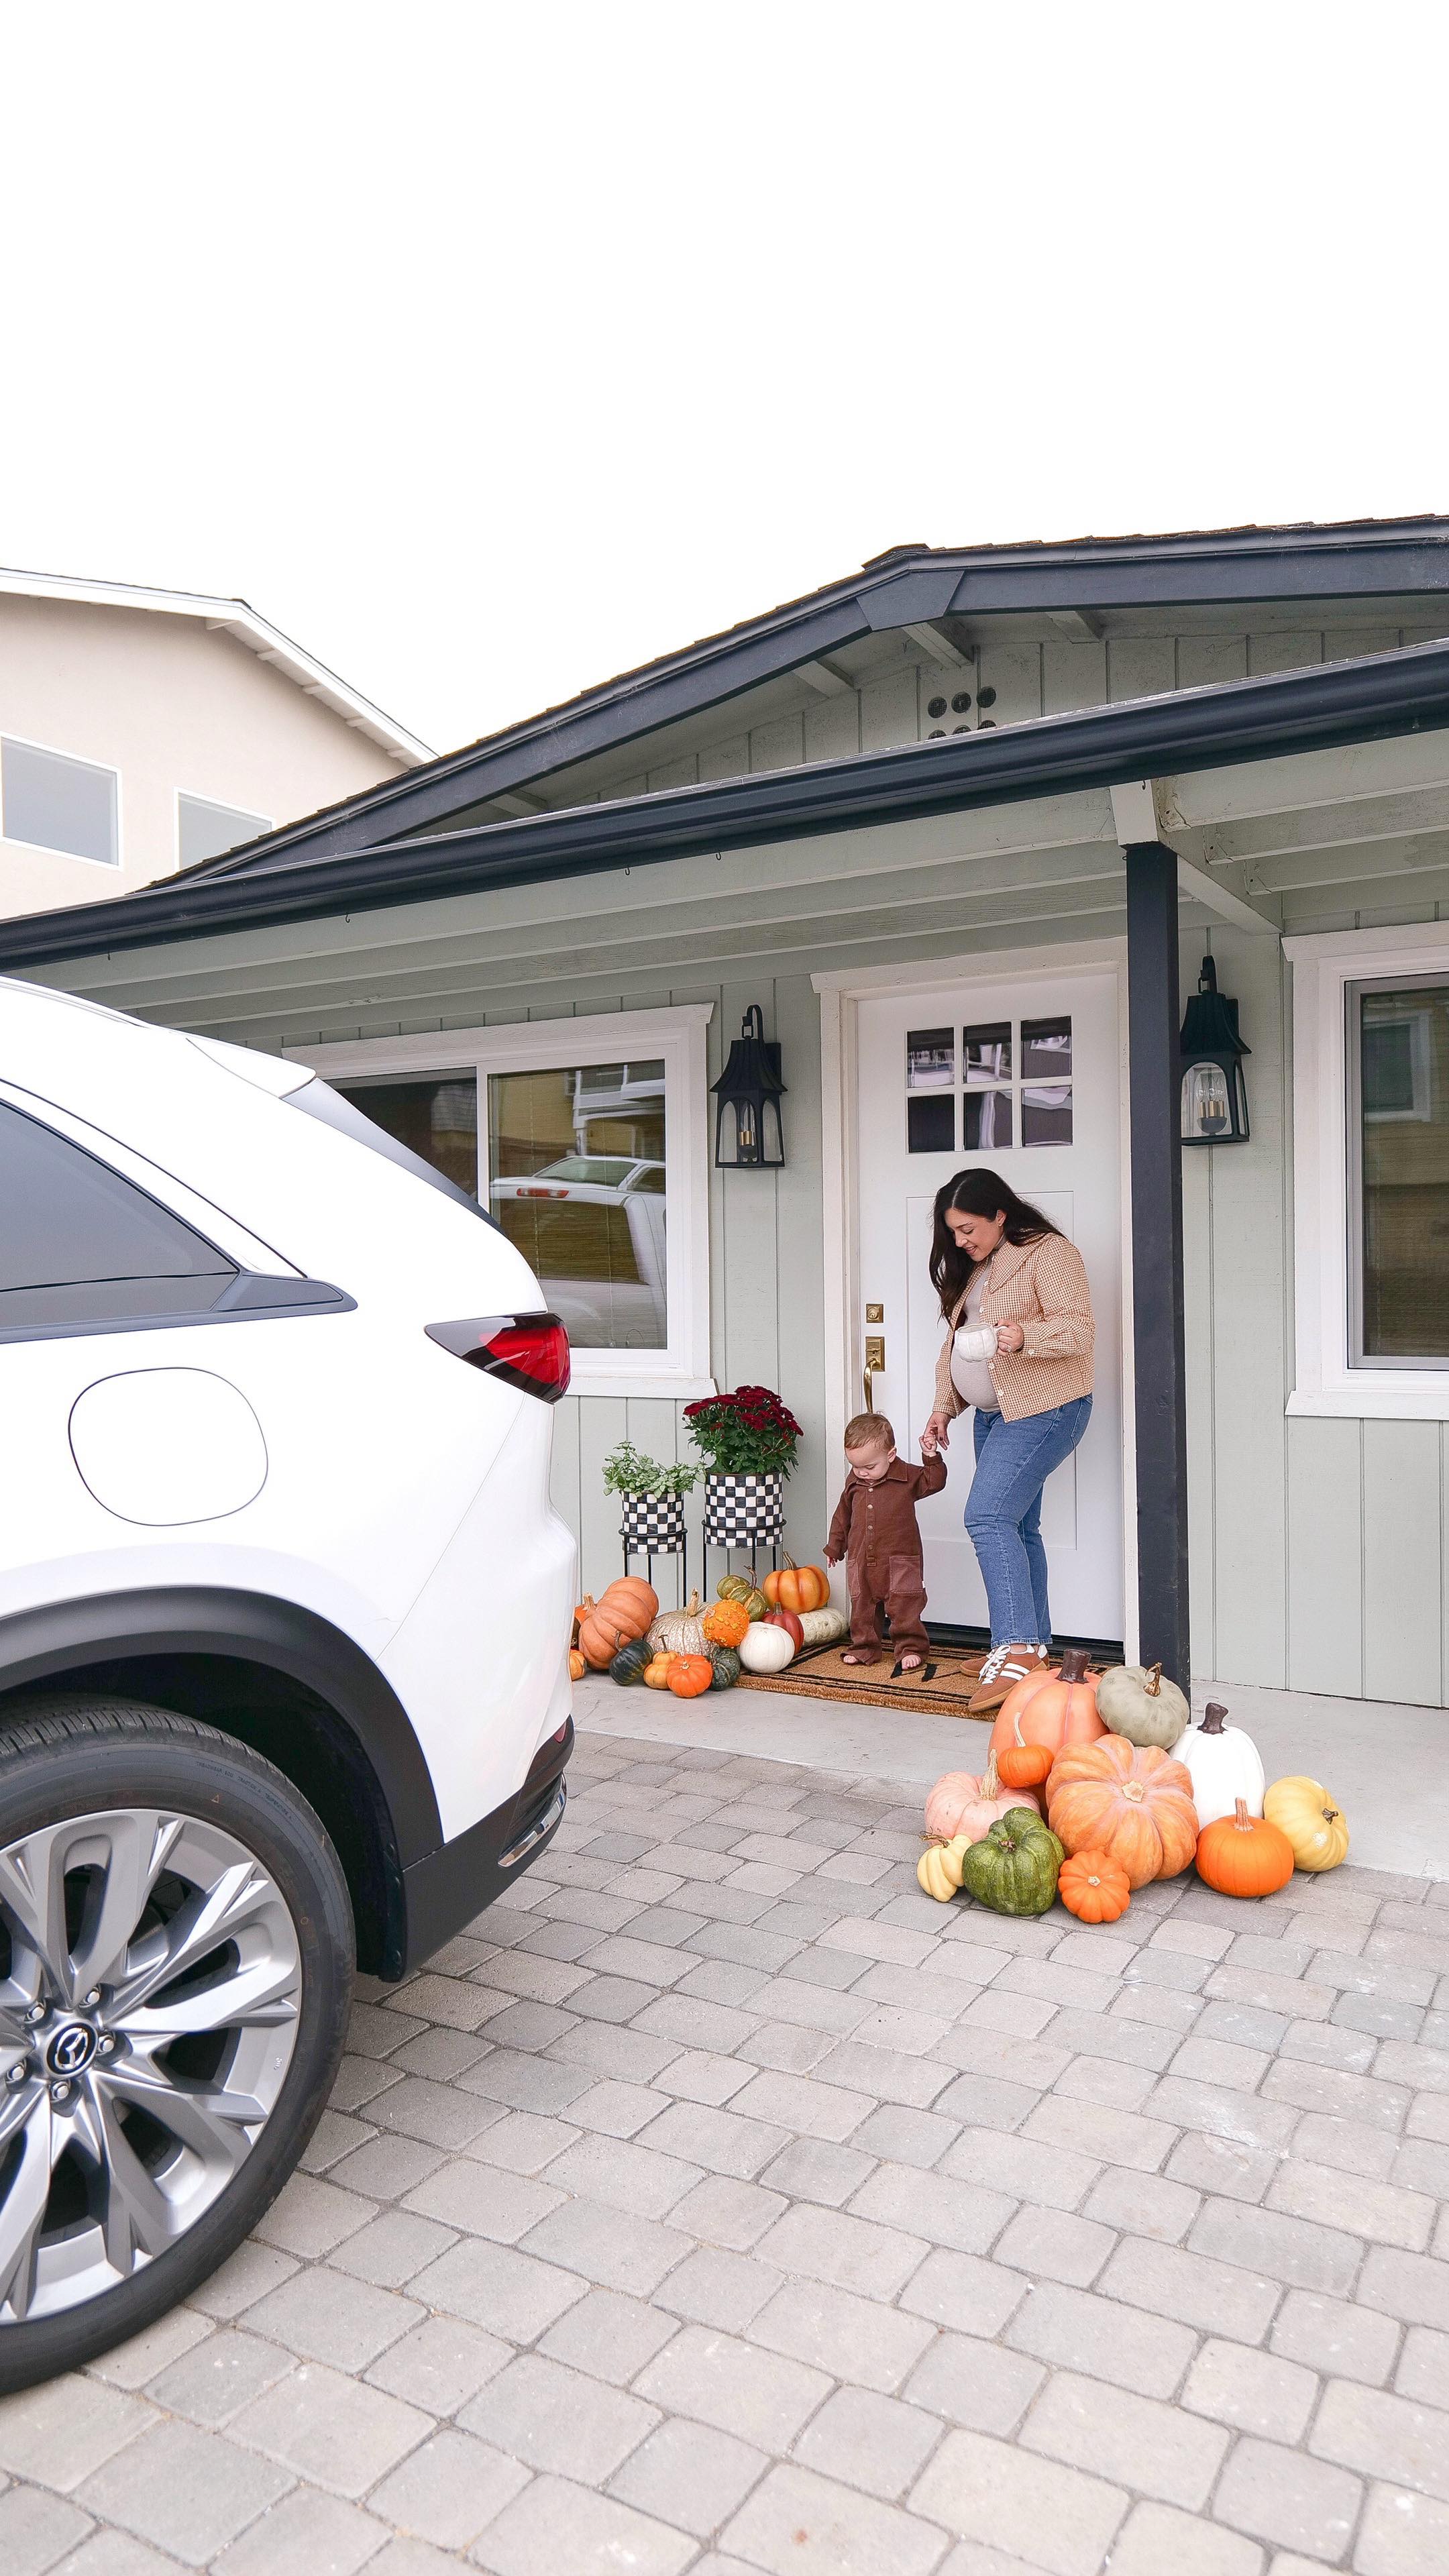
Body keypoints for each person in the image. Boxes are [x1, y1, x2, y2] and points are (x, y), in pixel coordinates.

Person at [920, 1168, 1094, 1713]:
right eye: (953, 1232)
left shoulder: (1048, 1253)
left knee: (987, 1517)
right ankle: (1033, 1645)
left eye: (969, 1229)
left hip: (1046, 1409)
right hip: (994, 1414)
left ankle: (1014, 1646)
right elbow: (955, 1345)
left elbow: (1079, 1330)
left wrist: (1023, 1337)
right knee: (1018, 1524)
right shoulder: (978, 1269)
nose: (961, 1241)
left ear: (1000, 1215)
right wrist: (943, 1407)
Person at [825, 1411, 946, 1673]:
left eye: (870, 1467)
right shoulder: (854, 1482)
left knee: (905, 1606)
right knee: (863, 1607)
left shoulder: (907, 1477)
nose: (863, 1473)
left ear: (890, 1455)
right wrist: (835, 1547)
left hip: (901, 1558)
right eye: (856, 1467)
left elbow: (935, 1482)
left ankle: (911, 1647)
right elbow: (842, 1515)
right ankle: (864, 1647)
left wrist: (931, 1456)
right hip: (862, 1559)